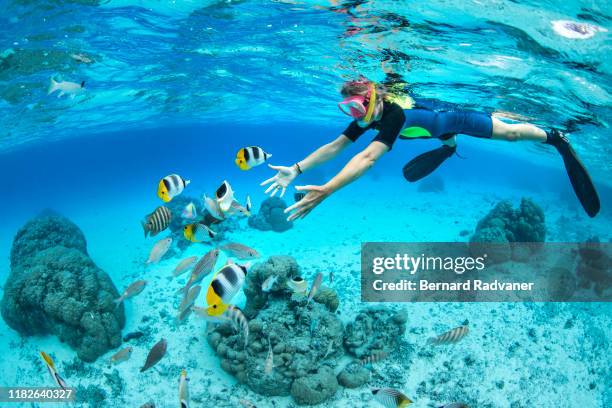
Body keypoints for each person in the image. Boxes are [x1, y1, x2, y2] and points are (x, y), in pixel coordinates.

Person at [261, 77, 600, 220]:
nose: (356, 116)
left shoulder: (391, 115)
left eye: (357, 107)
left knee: (510, 134)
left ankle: (556, 136)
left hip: (455, 119)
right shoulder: (368, 117)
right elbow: (337, 146)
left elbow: (367, 157)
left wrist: (329, 189)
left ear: (374, 98)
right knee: (437, 137)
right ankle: (449, 148)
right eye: (349, 110)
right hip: (430, 132)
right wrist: (298, 168)